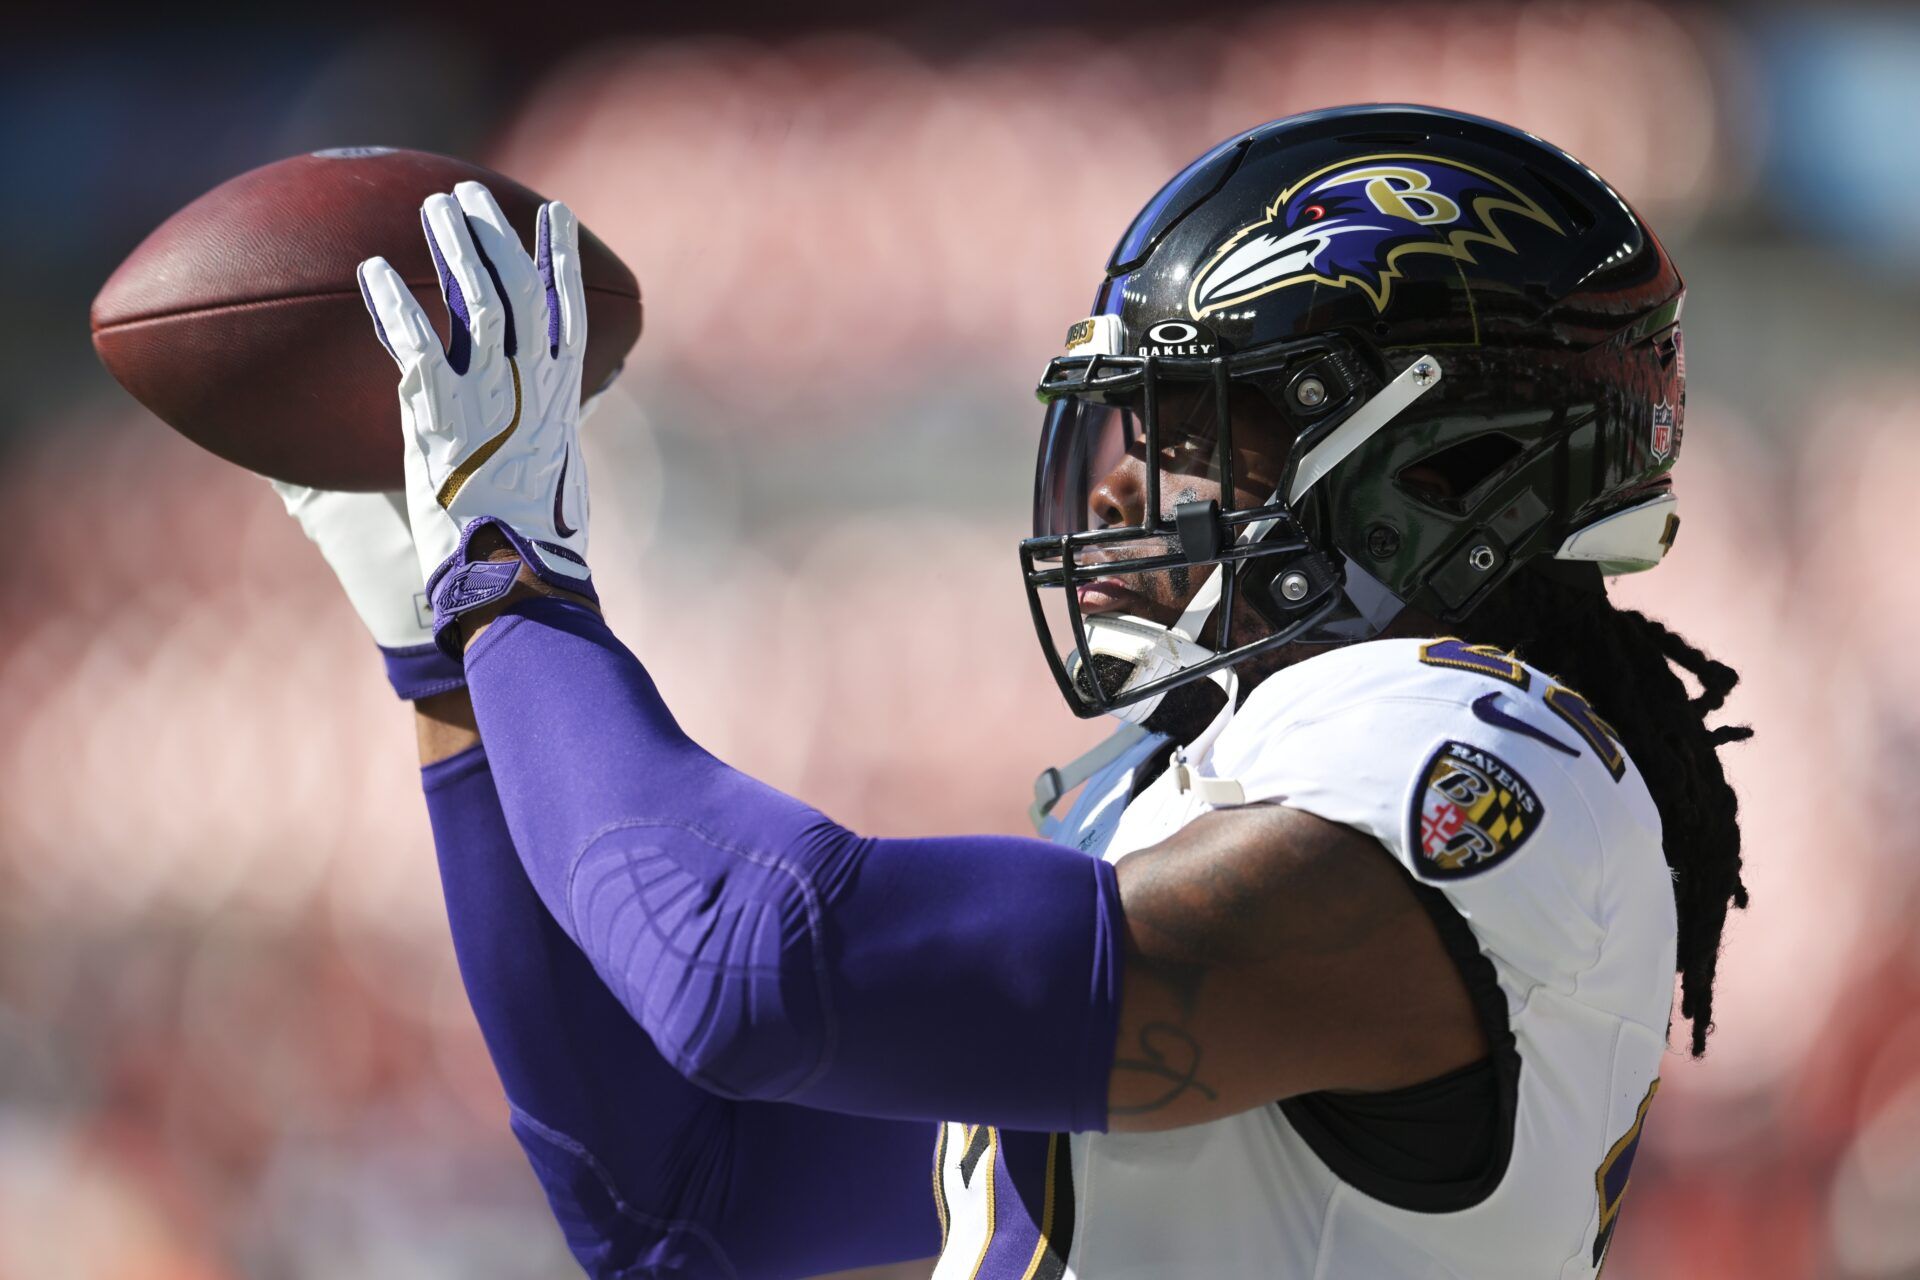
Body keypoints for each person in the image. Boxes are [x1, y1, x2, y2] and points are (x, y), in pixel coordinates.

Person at [281, 104, 1751, 1279]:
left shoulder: (1481, 753)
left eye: (1195, 423)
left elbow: (759, 974)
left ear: (1441, 465)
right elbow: (685, 1201)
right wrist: (446, 654)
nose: (1120, 474)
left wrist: (514, 582)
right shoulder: (1224, 783)